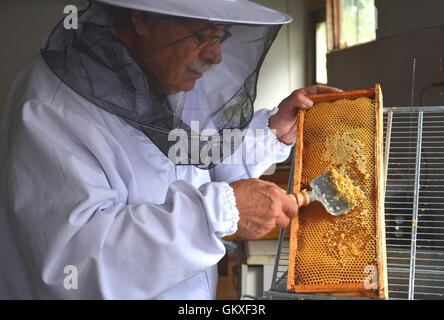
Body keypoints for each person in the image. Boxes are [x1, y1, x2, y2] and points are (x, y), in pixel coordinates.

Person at [0, 0, 341, 299]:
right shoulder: (50, 106)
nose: (215, 55)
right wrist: (219, 213)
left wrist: (271, 133)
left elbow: (204, 155)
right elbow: (76, 265)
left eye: (220, 36)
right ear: (141, 20)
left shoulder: (175, 81)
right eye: (203, 35)